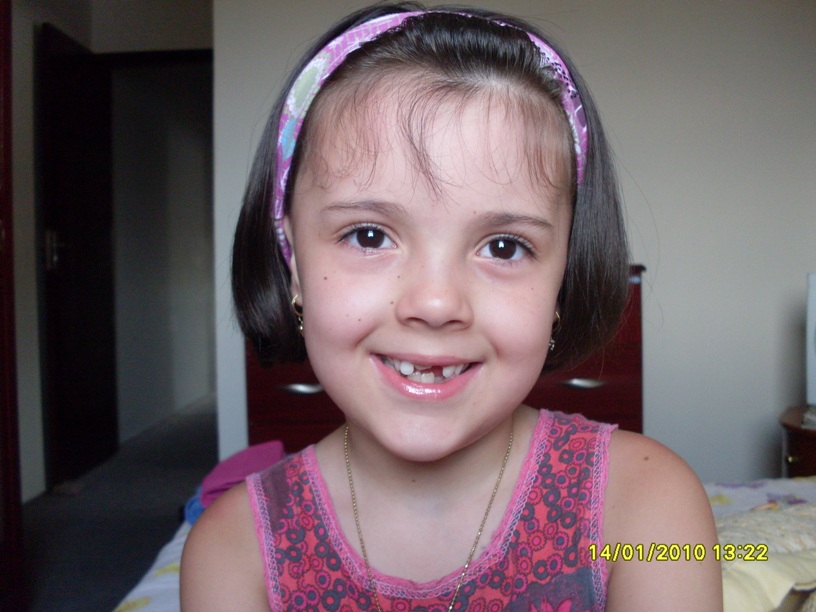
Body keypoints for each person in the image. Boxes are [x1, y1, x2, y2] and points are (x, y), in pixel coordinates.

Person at [181, 3, 722, 610]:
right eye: (369, 236)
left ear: (562, 280)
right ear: (294, 263)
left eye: (504, 246)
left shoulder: (646, 508)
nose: (436, 303)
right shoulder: (233, 552)